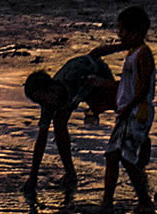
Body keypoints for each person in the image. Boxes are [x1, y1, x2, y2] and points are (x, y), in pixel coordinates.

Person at [21, 50, 118, 194]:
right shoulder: (48, 103)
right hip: (76, 94)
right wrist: (33, 176)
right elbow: (41, 139)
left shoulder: (74, 77)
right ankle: (70, 172)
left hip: (97, 75)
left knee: (117, 104)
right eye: (40, 102)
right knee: (59, 123)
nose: (45, 105)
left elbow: (94, 54)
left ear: (51, 89)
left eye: (43, 99)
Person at [102, 5, 157, 214]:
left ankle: (145, 201)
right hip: (128, 111)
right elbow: (130, 84)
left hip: (136, 112)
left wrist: (129, 107)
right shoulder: (133, 53)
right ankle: (107, 202)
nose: (119, 35)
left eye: (122, 31)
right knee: (112, 155)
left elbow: (143, 88)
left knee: (125, 157)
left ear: (134, 33)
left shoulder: (143, 54)